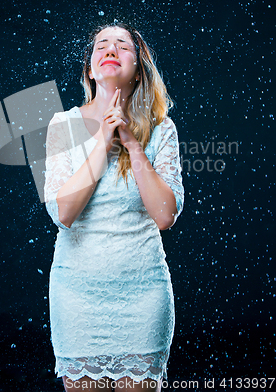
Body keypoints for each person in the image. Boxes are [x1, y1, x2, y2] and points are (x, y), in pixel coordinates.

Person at [44, 22, 184, 392]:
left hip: (143, 298)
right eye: (101, 45)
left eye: (122, 46)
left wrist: (130, 141)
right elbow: (64, 214)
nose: (110, 49)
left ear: (137, 69)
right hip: (76, 297)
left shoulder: (161, 129)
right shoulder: (63, 124)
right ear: (90, 69)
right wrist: (104, 138)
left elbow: (165, 215)